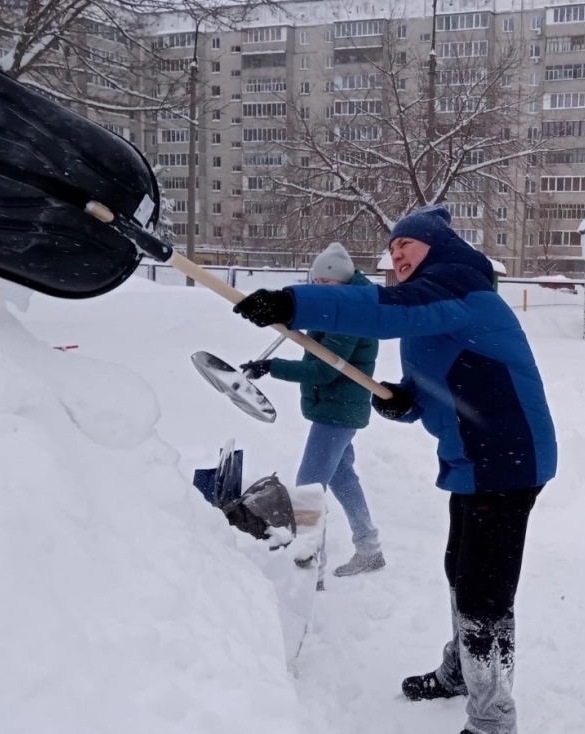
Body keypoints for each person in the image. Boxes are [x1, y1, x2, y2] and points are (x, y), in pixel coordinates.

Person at [231, 204, 557, 734]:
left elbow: (386, 310)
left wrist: (297, 302)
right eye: (392, 247)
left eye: (407, 243)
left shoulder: (457, 285)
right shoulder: (441, 299)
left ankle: (493, 719)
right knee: (461, 568)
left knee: (483, 592)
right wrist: (408, 400)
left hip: (507, 458)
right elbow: (449, 380)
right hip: (476, 459)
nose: (396, 252)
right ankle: (460, 671)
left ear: (437, 246)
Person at [239, 243, 385, 589]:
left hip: (338, 409)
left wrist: (271, 367)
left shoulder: (352, 312)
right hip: (338, 406)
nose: (320, 289)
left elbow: (323, 369)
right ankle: (369, 547)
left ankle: (309, 575)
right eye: (315, 282)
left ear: (343, 281)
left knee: (308, 488)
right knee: (342, 476)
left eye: (326, 283)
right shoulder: (342, 301)